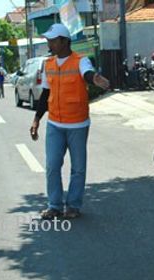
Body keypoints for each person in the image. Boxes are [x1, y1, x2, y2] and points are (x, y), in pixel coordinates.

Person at [29, 23, 109, 220]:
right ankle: (54, 205)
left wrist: (95, 79)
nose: (50, 43)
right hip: (55, 124)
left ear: (65, 41)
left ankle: (73, 205)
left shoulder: (80, 61)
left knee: (78, 168)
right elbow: (45, 94)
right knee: (52, 166)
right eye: (49, 40)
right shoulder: (48, 64)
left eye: (54, 40)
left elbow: (87, 74)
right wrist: (37, 119)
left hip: (78, 124)